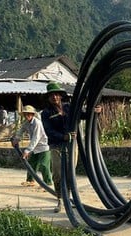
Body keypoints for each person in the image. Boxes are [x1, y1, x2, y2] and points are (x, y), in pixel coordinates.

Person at [41, 81, 101, 213]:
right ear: (48, 98)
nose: (55, 97)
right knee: (57, 174)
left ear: (60, 96)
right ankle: (60, 200)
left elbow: (83, 115)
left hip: (71, 145)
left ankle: (68, 198)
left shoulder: (69, 108)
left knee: (70, 173)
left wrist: (94, 111)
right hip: (56, 145)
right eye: (52, 95)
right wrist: (64, 136)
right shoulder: (46, 113)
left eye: (56, 94)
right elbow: (48, 131)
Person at [11, 105, 53, 187]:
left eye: (29, 114)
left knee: (44, 165)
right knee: (32, 164)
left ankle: (47, 183)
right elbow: (21, 131)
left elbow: (36, 138)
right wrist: (16, 139)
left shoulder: (37, 123)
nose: (27, 116)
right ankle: (30, 181)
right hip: (35, 147)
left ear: (33, 114)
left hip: (44, 146)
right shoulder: (26, 123)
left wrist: (27, 150)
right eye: (25, 114)